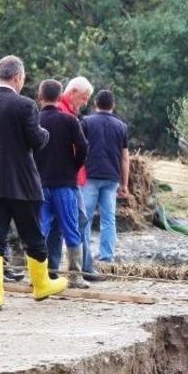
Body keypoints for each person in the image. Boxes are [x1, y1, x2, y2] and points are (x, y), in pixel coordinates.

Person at [0, 55, 63, 308]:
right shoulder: (25, 105)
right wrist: (46, 133)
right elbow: (37, 141)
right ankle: (41, 286)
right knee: (33, 235)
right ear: (17, 77)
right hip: (22, 183)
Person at [34, 79, 89, 288]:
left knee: (41, 229)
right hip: (65, 184)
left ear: (40, 97)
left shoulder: (34, 121)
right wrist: (73, 168)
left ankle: (38, 276)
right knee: (71, 228)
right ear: (60, 97)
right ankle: (75, 276)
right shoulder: (70, 121)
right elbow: (83, 148)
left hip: (40, 183)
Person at [47, 76, 96, 277]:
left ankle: (53, 269)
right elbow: (82, 148)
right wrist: (73, 168)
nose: (85, 103)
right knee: (77, 221)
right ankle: (78, 270)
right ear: (72, 92)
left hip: (65, 178)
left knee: (57, 224)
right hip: (66, 180)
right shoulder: (65, 116)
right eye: (84, 98)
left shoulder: (66, 114)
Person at [82, 89, 130, 268]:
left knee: (84, 218)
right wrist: (124, 184)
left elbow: (77, 149)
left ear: (95, 104)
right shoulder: (121, 127)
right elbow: (125, 158)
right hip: (112, 178)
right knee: (108, 218)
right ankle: (107, 257)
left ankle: (83, 257)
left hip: (90, 176)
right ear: (113, 105)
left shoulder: (86, 122)